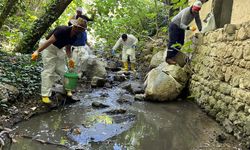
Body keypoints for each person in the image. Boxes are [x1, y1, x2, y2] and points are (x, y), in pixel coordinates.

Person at [31, 17, 87, 104]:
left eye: (81, 29)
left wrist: (70, 58)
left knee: (64, 71)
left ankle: (68, 90)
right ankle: (45, 95)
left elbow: (68, 48)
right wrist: (37, 51)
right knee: (49, 71)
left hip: (59, 49)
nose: (78, 30)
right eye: (77, 27)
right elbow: (49, 41)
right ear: (74, 26)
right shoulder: (62, 30)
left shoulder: (75, 36)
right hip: (48, 48)